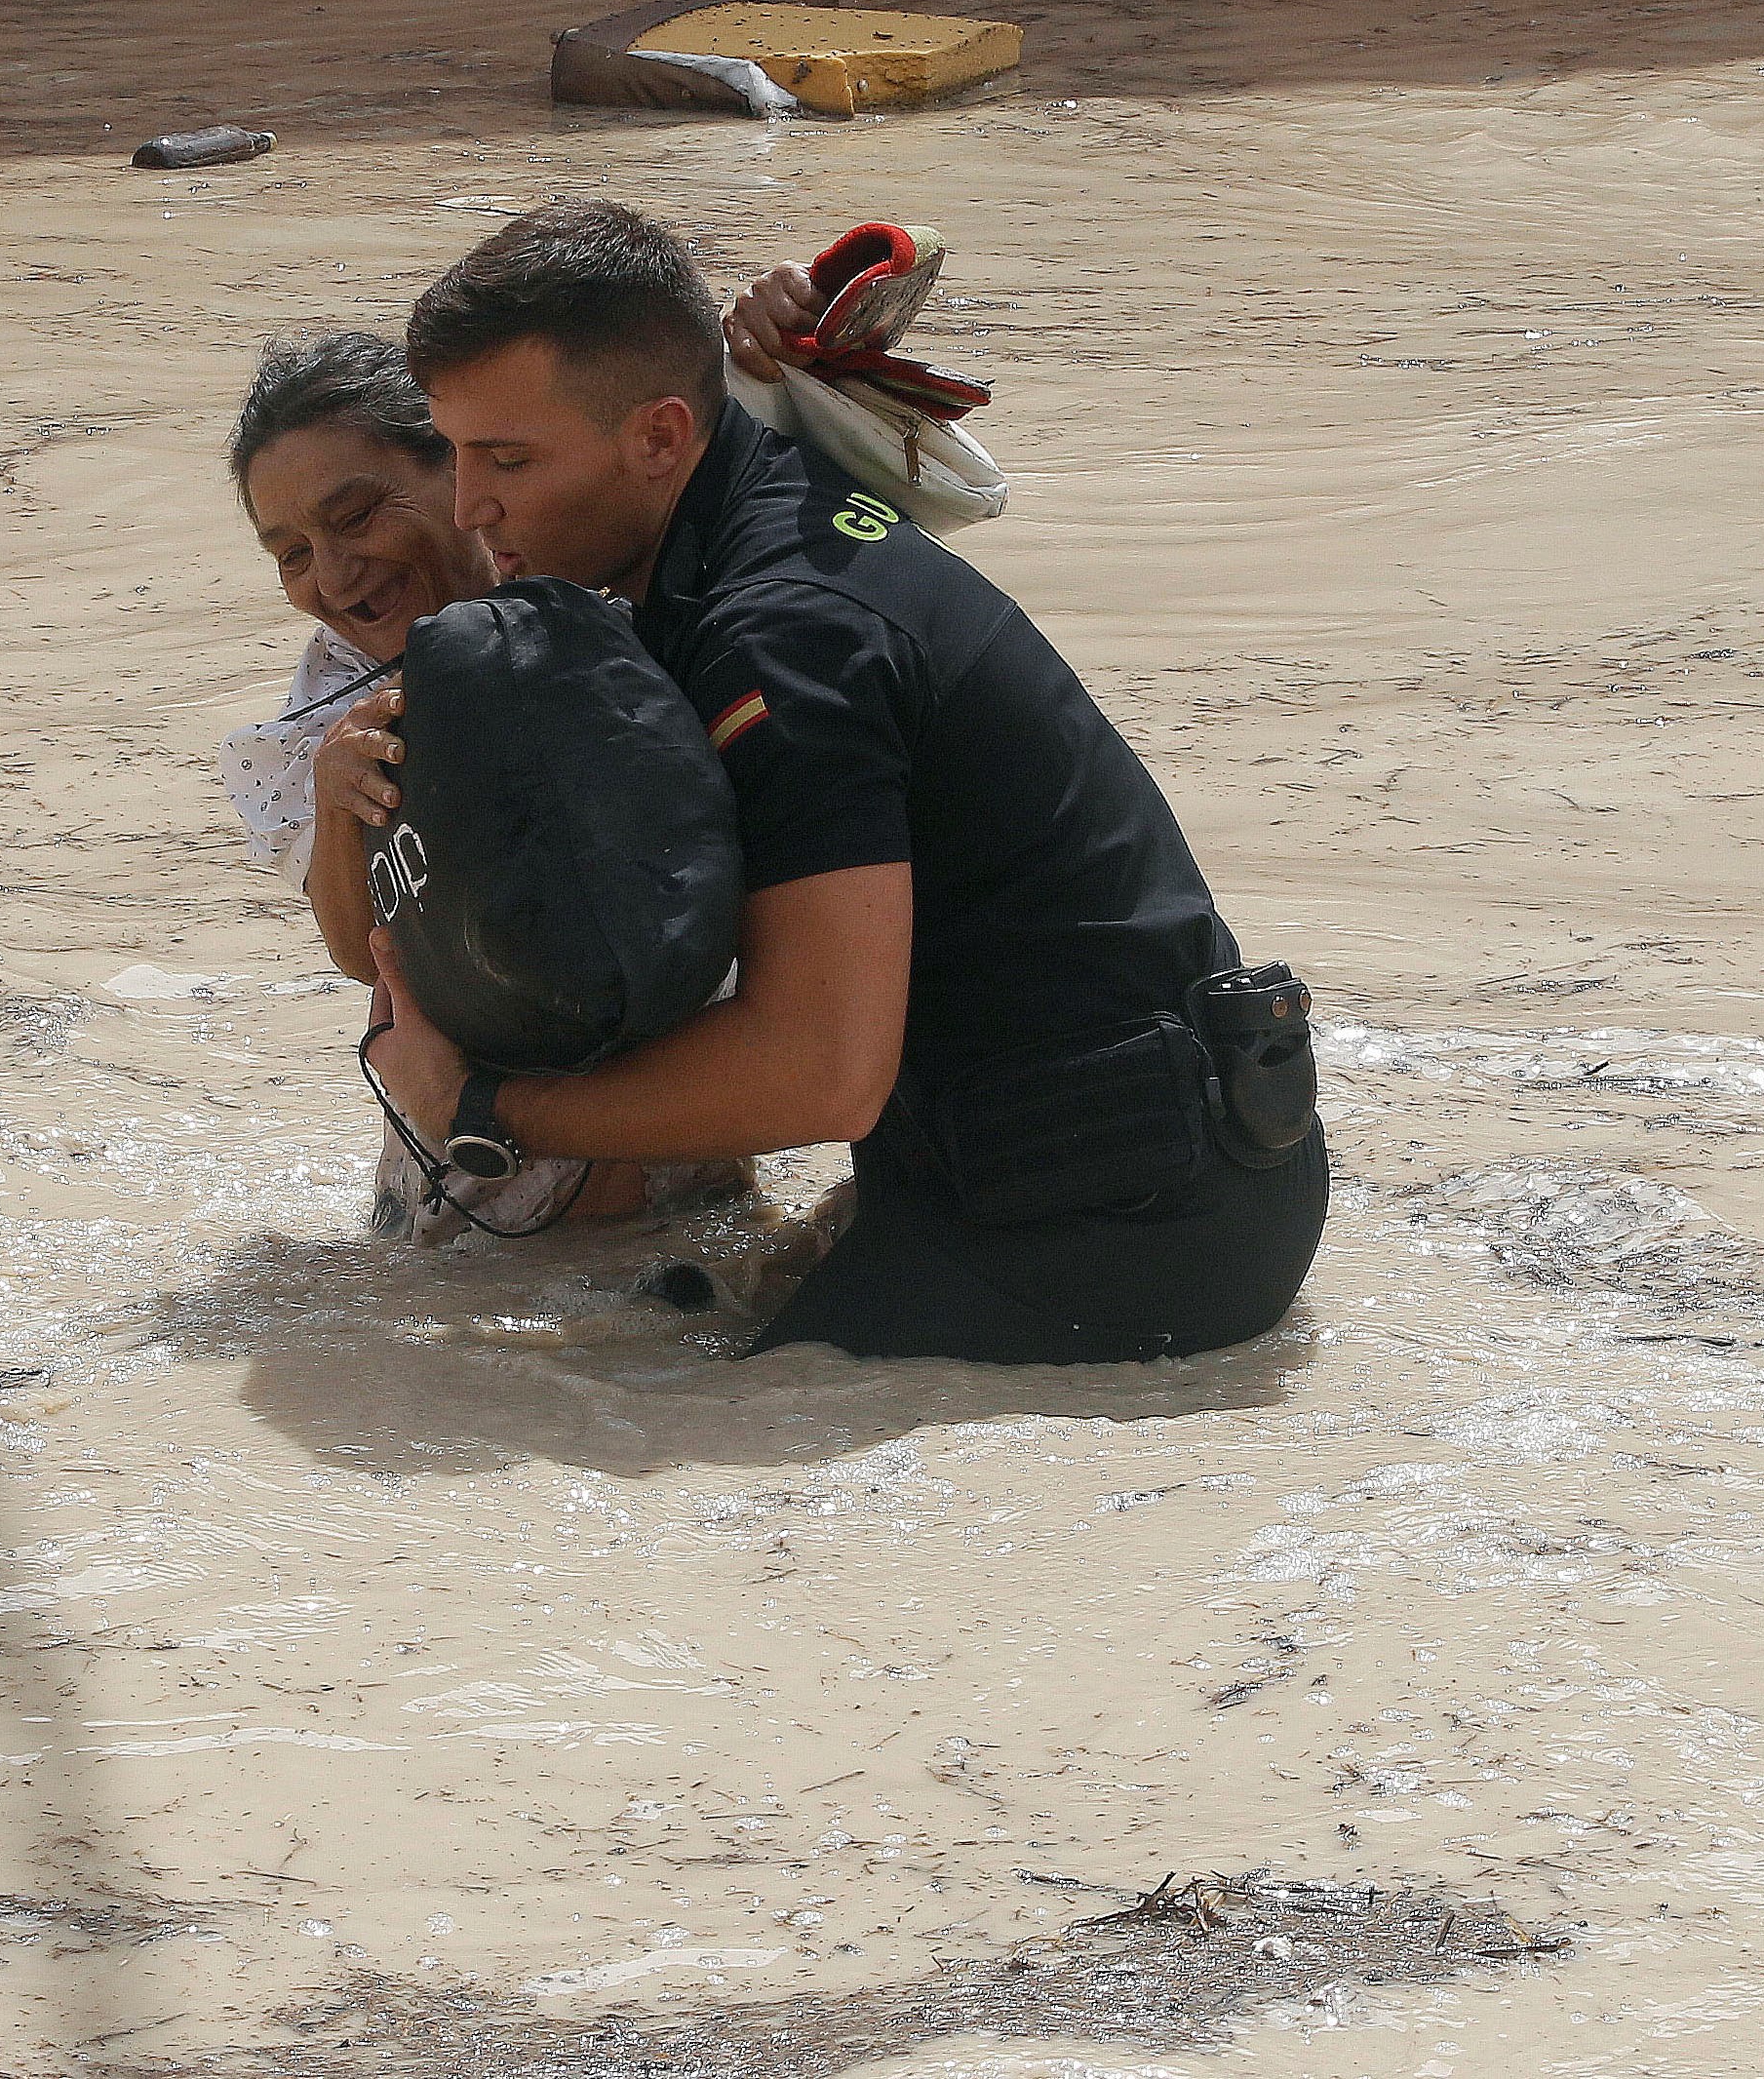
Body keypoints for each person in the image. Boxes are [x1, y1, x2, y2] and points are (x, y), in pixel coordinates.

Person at [345, 199, 1327, 1364]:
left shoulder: (786, 638)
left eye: (507, 459)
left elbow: (822, 1075)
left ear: (661, 437)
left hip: (1122, 1237)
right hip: (1132, 1162)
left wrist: (481, 1112)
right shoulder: (757, 513)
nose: (468, 507)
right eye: (453, 452)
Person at [216, 328, 745, 1239]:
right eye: (291, 553)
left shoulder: (603, 616)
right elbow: (358, 954)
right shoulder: (337, 693)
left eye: (355, 517)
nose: (334, 578)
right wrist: (339, 796)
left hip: (664, 1151)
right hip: (452, 1179)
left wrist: (770, 343)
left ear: (463, 475)